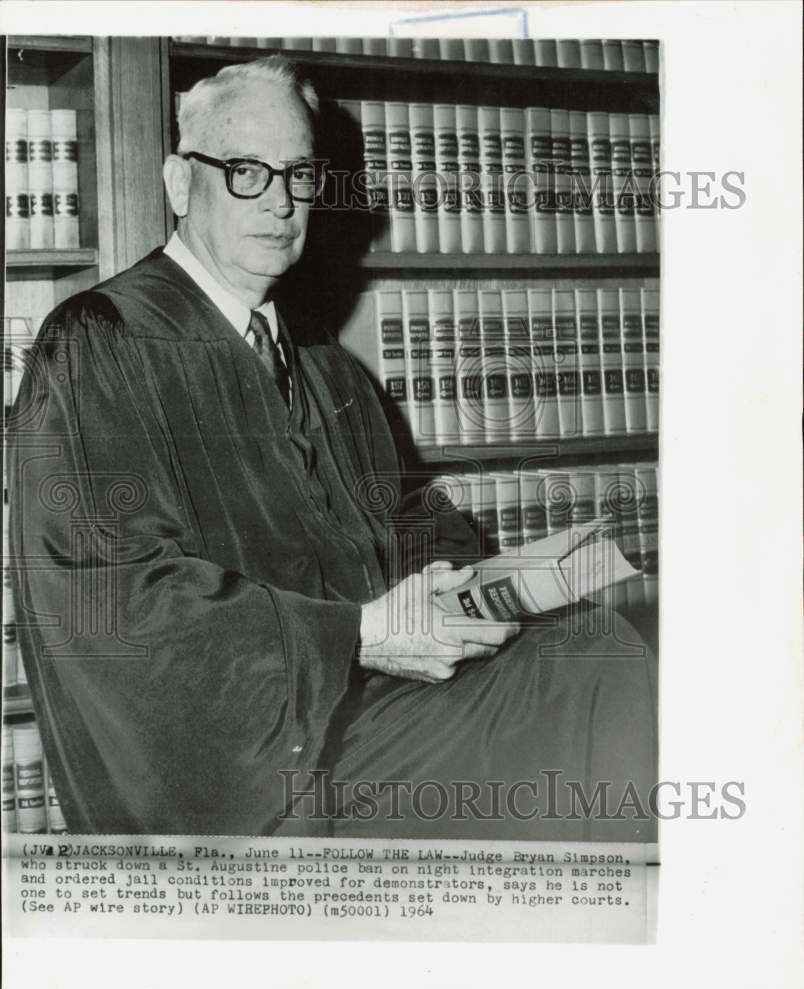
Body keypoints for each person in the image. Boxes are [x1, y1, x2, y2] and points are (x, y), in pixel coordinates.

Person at [8, 56, 656, 841]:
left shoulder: (318, 359)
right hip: (255, 769)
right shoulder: (103, 342)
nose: (279, 202)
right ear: (181, 184)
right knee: (580, 690)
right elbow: (116, 598)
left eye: (299, 174)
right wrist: (360, 634)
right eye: (246, 171)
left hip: (371, 708)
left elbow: (404, 513)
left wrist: (482, 584)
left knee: (590, 648)